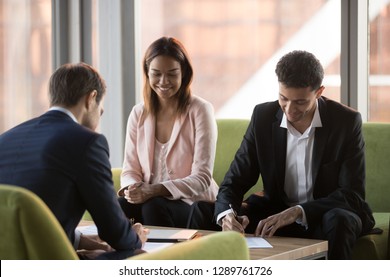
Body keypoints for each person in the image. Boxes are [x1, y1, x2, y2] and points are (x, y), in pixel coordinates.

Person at [188, 50, 375, 259]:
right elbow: (234, 181)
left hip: (323, 216)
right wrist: (227, 216)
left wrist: (298, 211)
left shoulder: (345, 122)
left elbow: (352, 194)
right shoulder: (263, 116)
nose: (290, 109)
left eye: (300, 102)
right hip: (274, 215)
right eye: (283, 98)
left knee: (339, 220)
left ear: (319, 92)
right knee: (202, 211)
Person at [0, 62, 148, 260]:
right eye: (100, 111)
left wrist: (80, 241)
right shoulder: (87, 142)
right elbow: (116, 233)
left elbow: (31, 214)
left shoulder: (6, 138)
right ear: (91, 98)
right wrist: (135, 238)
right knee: (137, 256)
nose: (98, 120)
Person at [117, 37, 219, 228]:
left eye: (172, 74)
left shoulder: (200, 110)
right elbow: (130, 168)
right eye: (156, 74)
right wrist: (133, 188)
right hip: (150, 200)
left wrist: (155, 190)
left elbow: (202, 178)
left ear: (184, 73)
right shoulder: (138, 113)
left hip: (193, 203)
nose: (164, 82)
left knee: (154, 207)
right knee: (119, 206)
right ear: (147, 73)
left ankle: (168, 257)